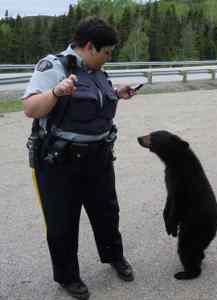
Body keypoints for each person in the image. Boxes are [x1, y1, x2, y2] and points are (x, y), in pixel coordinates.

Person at [23, 16, 136, 300]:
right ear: (88, 46)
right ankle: (68, 277)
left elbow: (91, 104)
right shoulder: (54, 66)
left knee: (107, 212)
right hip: (59, 162)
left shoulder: (97, 70)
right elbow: (31, 108)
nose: (108, 59)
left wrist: (116, 94)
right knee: (62, 221)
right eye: (106, 52)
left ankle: (114, 257)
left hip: (98, 157)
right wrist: (55, 91)